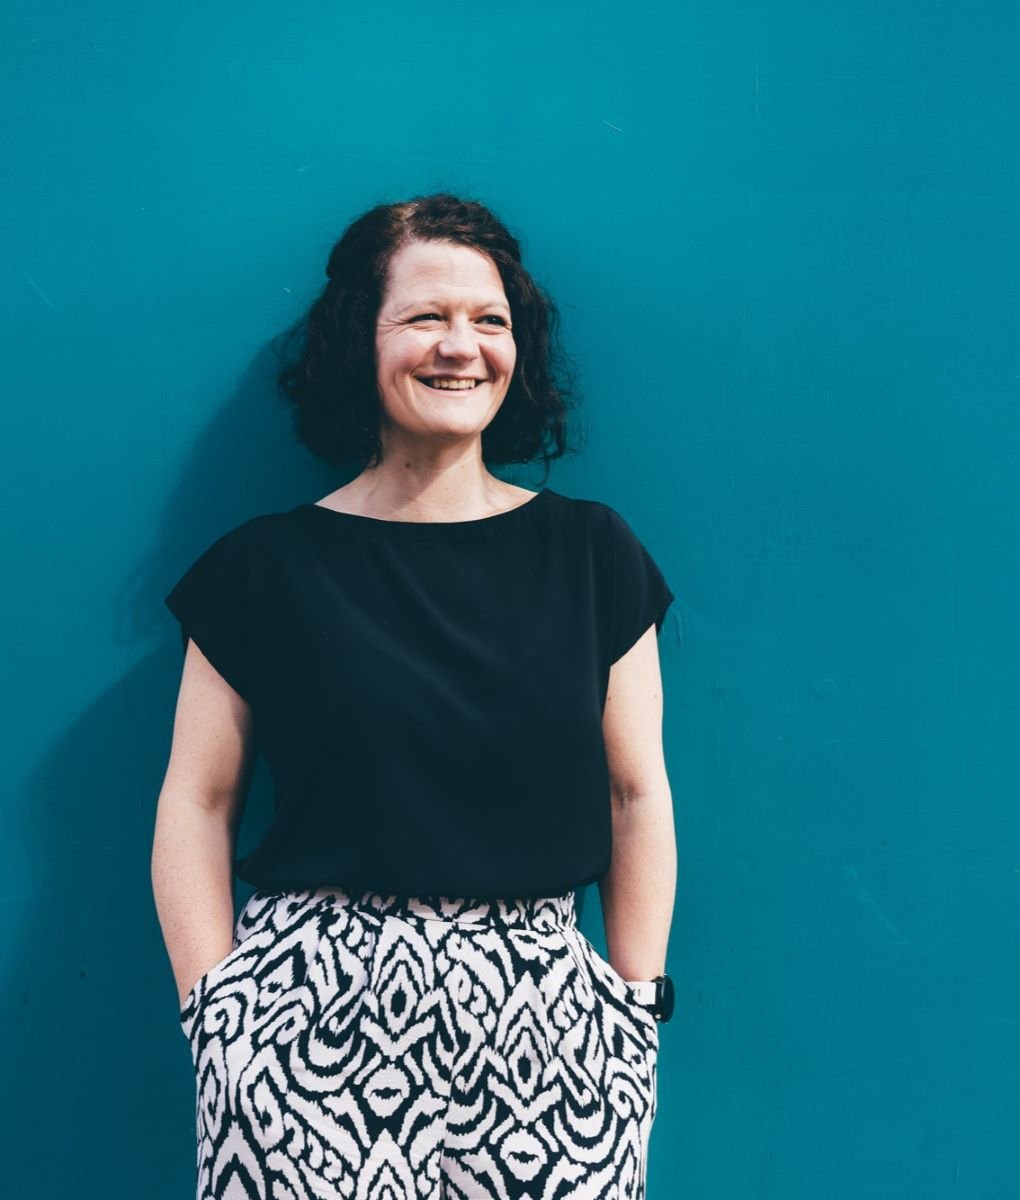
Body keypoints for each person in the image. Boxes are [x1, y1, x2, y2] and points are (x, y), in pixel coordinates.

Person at [150, 193, 678, 1200]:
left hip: (548, 1027)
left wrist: (634, 1008)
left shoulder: (593, 554)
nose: (461, 347)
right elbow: (197, 799)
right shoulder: (263, 568)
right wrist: (216, 1013)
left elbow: (635, 794)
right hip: (305, 1019)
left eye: (490, 320)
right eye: (425, 317)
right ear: (362, 339)